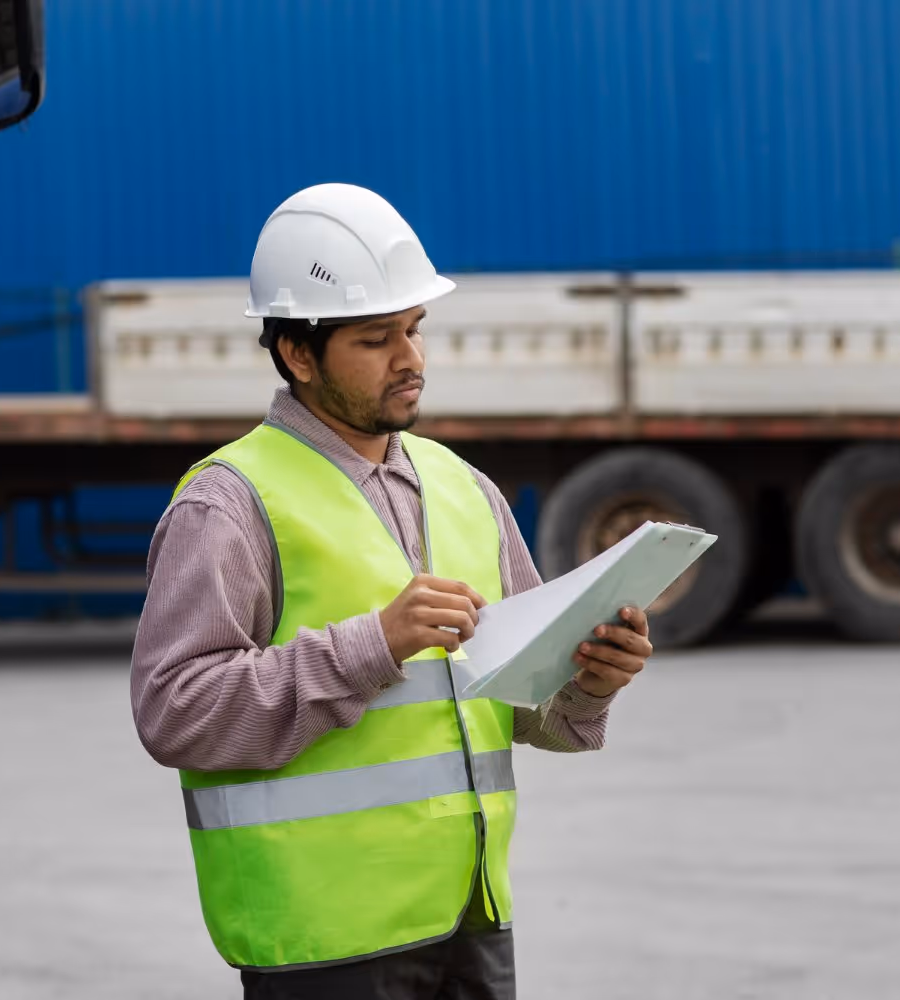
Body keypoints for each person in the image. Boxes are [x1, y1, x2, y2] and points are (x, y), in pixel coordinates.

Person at [130, 183, 654, 1000]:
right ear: (298, 354)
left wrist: (589, 681)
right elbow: (175, 711)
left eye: (414, 330)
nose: (411, 359)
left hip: (470, 923)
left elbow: (525, 706)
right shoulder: (228, 503)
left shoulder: (462, 488)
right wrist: (371, 644)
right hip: (324, 942)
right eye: (376, 339)